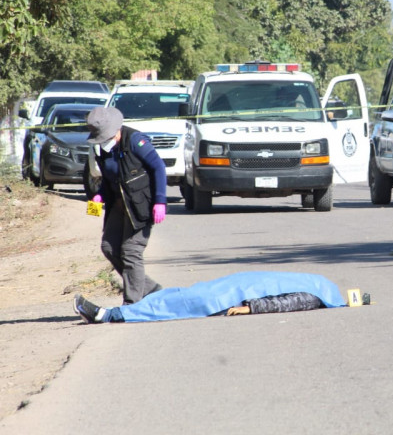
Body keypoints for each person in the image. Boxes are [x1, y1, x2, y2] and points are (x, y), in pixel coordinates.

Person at [86, 106, 167, 304]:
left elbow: (158, 167)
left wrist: (160, 201)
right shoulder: (101, 149)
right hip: (118, 204)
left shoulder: (135, 141)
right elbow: (108, 178)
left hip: (140, 205)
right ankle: (150, 289)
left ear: (115, 131)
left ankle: (132, 303)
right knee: (109, 247)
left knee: (131, 251)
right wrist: (99, 196)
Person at [73, 271, 347, 323]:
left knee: (179, 303)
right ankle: (118, 312)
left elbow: (284, 303)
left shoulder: (314, 293)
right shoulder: (318, 287)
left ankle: (109, 315)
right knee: (177, 297)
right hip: (231, 288)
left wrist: (249, 308)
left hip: (230, 297)